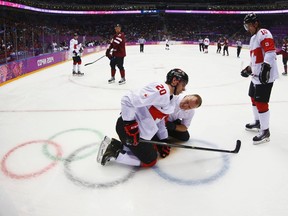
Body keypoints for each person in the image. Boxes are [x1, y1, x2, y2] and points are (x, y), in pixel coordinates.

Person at [97, 68, 189, 167]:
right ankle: (114, 152)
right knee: (150, 161)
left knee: (153, 150)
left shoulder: (170, 98)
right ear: (175, 81)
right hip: (127, 131)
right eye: (183, 85)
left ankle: (118, 145)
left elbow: (160, 120)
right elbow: (127, 99)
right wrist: (130, 126)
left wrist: (163, 139)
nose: (184, 89)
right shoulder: (161, 91)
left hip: (139, 133)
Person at [241, 13, 279, 144]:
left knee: (261, 102)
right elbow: (255, 59)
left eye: (248, 25)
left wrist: (266, 68)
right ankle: (258, 122)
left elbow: (270, 51)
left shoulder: (263, 32)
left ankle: (265, 131)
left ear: (255, 23)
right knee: (252, 96)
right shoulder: (253, 39)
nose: (248, 28)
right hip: (256, 76)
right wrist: (248, 69)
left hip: (265, 76)